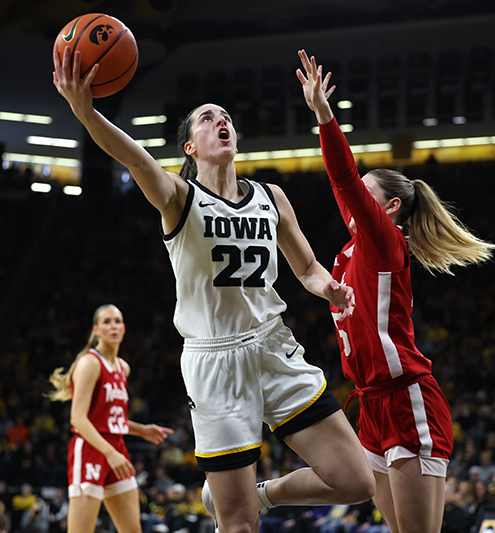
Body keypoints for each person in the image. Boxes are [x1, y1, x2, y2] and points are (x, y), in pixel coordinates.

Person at [53, 46, 375, 533]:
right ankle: (242, 503)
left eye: (226, 118)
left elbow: (306, 266)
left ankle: (264, 494)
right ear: (190, 146)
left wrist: (328, 288)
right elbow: (135, 158)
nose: (221, 121)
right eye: (207, 119)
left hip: (274, 345)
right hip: (213, 359)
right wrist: (86, 112)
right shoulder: (179, 198)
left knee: (356, 481)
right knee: (238, 524)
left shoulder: (273, 197)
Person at [297, 50, 495, 533]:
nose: (352, 200)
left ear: (387, 207)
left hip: (407, 399)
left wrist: (324, 116)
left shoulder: (385, 244)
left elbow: (342, 178)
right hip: (370, 403)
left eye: (365, 195)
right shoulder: (350, 253)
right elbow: (336, 204)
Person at [48, 304, 174, 533]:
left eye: (117, 321)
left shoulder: (122, 367)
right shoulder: (89, 363)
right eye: (106, 322)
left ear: (124, 328)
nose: (113, 326)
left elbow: (111, 420)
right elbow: (78, 418)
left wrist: (141, 430)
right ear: (96, 330)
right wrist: (109, 453)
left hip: (115, 447)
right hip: (90, 449)